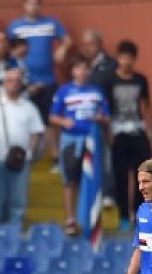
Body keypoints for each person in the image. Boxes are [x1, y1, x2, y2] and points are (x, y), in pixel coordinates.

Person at [49, 58, 109, 235]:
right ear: (73, 71)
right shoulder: (64, 91)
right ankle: (70, 220)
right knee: (69, 181)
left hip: (92, 142)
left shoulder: (97, 92)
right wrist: (63, 121)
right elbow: (52, 117)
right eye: (78, 68)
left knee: (90, 180)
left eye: (85, 68)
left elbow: (106, 116)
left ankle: (89, 220)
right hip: (71, 141)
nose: (82, 72)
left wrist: (100, 119)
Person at [8, 0, 72, 159]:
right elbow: (9, 50)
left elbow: (68, 40)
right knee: (23, 118)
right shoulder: (14, 26)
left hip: (48, 80)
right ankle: (25, 154)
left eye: (36, 4)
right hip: (23, 81)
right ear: (23, 5)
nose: (33, 7)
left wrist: (62, 48)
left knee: (49, 119)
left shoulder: (51, 23)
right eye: (30, 4)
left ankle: (55, 156)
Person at [102, 40, 152, 230]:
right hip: (118, 132)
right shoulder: (109, 80)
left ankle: (140, 216)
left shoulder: (140, 79)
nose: (126, 62)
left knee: (142, 176)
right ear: (118, 58)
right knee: (121, 177)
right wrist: (108, 134)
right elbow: (105, 109)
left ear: (134, 59)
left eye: (130, 58)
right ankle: (124, 216)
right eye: (123, 57)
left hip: (137, 131)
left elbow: (147, 105)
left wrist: (149, 129)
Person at [0, 68, 44, 225]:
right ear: (4, 82)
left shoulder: (29, 107)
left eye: (16, 80)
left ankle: (14, 234)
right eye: (10, 80)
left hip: (21, 160)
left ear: (21, 84)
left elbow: (36, 132)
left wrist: (29, 153)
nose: (13, 83)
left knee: (18, 201)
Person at [81, 29, 117, 93]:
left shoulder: (111, 65)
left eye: (90, 44)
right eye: (84, 44)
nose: (86, 48)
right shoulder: (79, 65)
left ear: (99, 44)